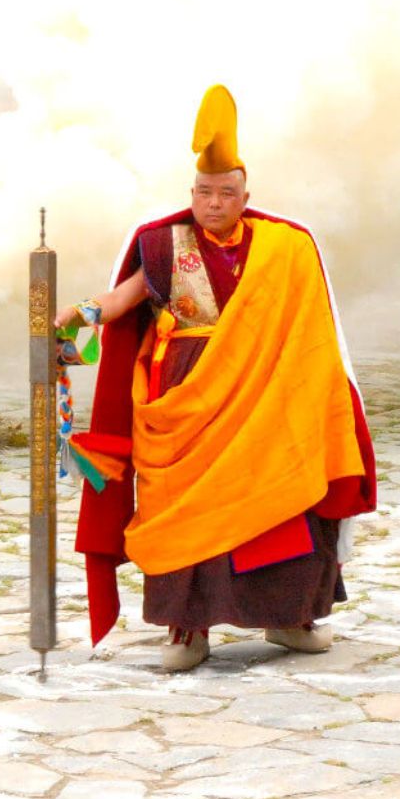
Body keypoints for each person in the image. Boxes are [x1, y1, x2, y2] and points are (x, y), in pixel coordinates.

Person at [56, 85, 376, 672]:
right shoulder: (162, 244)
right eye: (204, 192)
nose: (214, 203)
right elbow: (126, 299)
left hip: (270, 400)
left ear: (245, 195)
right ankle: (188, 628)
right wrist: (83, 314)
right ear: (192, 194)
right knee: (184, 515)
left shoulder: (284, 247)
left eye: (226, 193)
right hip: (185, 405)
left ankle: (288, 617)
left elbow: (312, 334)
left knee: (278, 503)